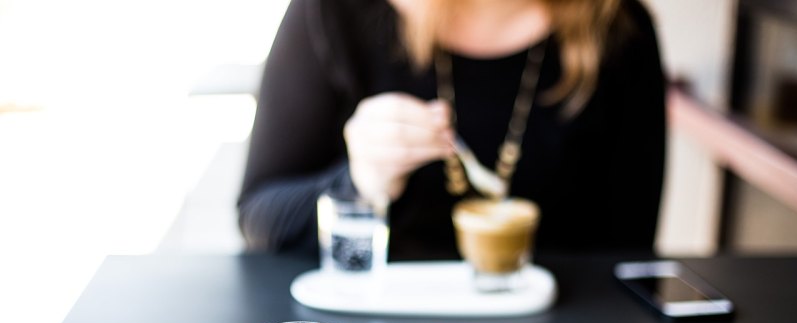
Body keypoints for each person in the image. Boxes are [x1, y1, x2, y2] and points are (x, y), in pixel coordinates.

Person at [238, 0, 665, 260]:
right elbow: (260, 218)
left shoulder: (621, 32)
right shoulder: (339, 13)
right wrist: (361, 183)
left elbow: (627, 251)